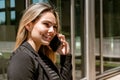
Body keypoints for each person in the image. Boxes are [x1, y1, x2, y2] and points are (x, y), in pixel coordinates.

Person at [7, 2, 72, 80]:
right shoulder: (22, 58)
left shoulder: (42, 56)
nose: (52, 31)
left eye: (54, 26)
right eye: (46, 24)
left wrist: (65, 57)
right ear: (29, 26)